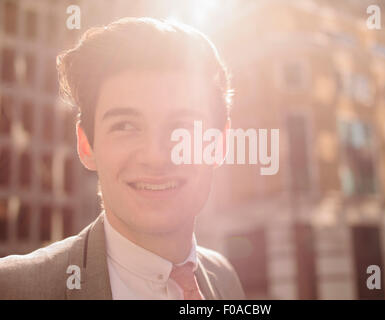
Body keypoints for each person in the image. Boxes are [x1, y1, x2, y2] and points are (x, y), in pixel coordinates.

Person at [0, 17, 245, 300]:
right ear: (86, 145)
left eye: (183, 127)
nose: (155, 156)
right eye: (125, 126)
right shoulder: (12, 289)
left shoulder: (225, 279)